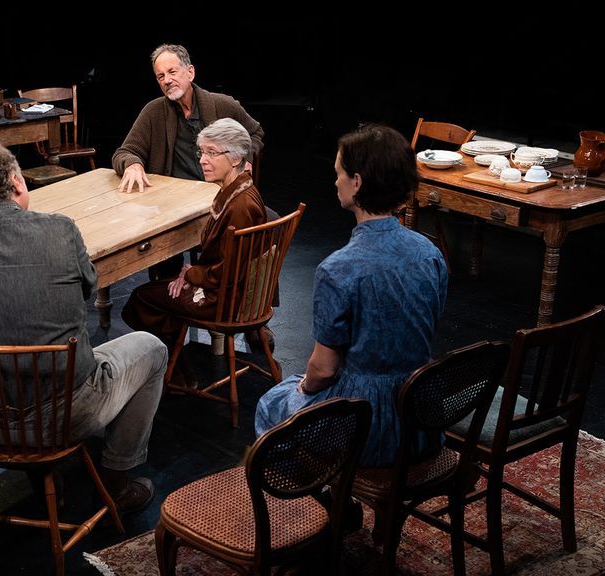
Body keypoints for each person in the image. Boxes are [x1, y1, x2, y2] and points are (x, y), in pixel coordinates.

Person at [0, 141, 168, 513]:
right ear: (16, 182)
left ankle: (46, 478)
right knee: (152, 349)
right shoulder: (60, 229)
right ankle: (116, 486)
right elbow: (89, 285)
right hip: (65, 415)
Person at [254, 124, 448, 468]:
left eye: (339, 173)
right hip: (423, 416)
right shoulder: (429, 253)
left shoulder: (339, 268)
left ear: (357, 182)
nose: (335, 181)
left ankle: (312, 507)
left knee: (272, 403)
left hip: (368, 425)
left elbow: (324, 370)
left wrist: (304, 389)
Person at [122, 119, 268, 357]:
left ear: (235, 158)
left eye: (212, 153)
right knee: (162, 290)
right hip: (225, 290)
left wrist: (190, 274)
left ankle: (172, 365)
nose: (202, 160)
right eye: (202, 152)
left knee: (142, 299)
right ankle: (174, 357)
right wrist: (191, 274)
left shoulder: (241, 206)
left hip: (223, 301)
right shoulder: (238, 190)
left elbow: (228, 273)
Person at [112, 43, 265, 195]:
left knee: (271, 217)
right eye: (161, 76)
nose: (167, 80)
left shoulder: (223, 105)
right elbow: (124, 152)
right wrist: (132, 164)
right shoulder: (153, 112)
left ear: (190, 72)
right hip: (175, 197)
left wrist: (247, 158)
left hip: (219, 192)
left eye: (172, 72)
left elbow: (255, 132)